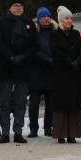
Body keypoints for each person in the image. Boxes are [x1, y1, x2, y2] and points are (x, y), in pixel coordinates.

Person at [0, 0, 37, 144]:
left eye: (20, 5)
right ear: (10, 8)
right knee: (4, 102)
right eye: (15, 5)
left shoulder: (29, 24)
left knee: (20, 103)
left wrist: (23, 57)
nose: (18, 8)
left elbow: (34, 45)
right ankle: (5, 132)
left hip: (23, 67)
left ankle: (18, 131)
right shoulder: (1, 23)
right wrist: (11, 57)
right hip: (6, 67)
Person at [50, 5, 81, 144]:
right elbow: (56, 52)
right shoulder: (54, 35)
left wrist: (77, 61)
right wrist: (69, 62)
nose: (69, 21)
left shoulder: (76, 34)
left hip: (75, 75)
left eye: (71, 18)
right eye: (66, 18)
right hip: (61, 74)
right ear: (61, 20)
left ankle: (72, 134)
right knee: (61, 105)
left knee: (74, 104)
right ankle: (61, 134)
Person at [28, 7, 55, 138]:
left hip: (51, 72)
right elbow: (32, 50)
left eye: (48, 16)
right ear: (38, 19)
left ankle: (48, 127)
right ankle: (33, 128)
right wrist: (45, 59)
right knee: (34, 103)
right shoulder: (34, 33)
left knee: (50, 103)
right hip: (36, 72)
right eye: (44, 16)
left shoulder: (54, 33)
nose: (46, 19)